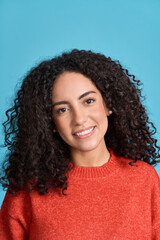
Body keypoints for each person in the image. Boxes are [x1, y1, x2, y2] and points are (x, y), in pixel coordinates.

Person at [0, 49, 160, 239]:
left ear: (109, 105)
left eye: (88, 101)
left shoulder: (144, 179)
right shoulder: (27, 190)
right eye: (63, 109)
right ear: (49, 123)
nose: (79, 119)